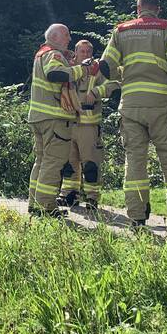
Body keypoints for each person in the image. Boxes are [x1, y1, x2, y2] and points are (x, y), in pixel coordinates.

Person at [100, 0, 167, 236]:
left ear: (138, 9)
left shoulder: (121, 30)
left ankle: (136, 219)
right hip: (161, 104)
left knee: (135, 162)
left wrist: (122, 76)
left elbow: (105, 66)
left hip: (130, 104)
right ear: (157, 9)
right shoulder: (166, 28)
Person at [27, 23, 95, 217]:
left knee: (41, 162)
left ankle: (35, 204)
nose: (69, 39)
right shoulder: (54, 54)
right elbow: (55, 74)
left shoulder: (42, 53)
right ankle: (46, 207)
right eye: (66, 35)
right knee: (53, 163)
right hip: (54, 119)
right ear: (55, 37)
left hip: (39, 118)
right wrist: (82, 70)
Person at [58, 39, 120, 210]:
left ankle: (92, 197)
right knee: (69, 164)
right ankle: (69, 194)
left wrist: (96, 91)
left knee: (91, 164)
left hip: (89, 125)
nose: (85, 54)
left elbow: (114, 83)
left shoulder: (97, 69)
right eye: (82, 51)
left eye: (88, 51)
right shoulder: (69, 68)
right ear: (76, 52)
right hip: (69, 123)